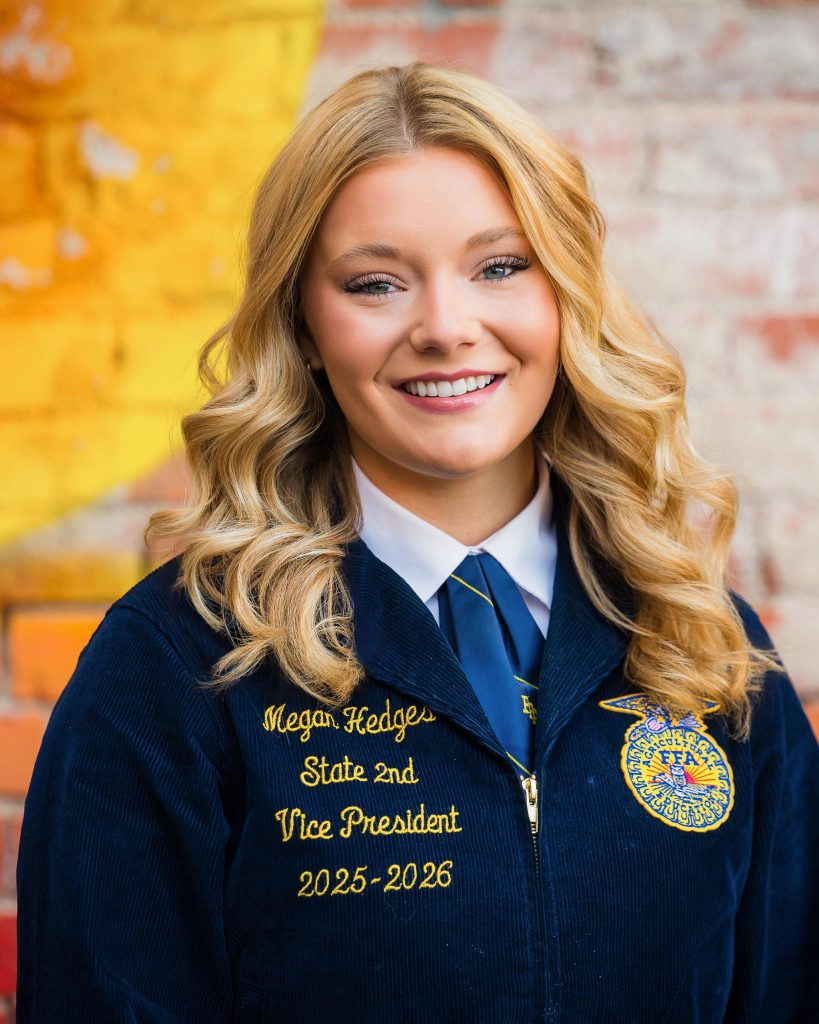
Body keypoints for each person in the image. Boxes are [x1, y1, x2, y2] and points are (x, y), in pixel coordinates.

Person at [16, 62, 819, 1023]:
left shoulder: (707, 650)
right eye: (375, 283)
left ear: (564, 294)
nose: (445, 327)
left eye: (499, 267)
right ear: (305, 327)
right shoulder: (175, 670)